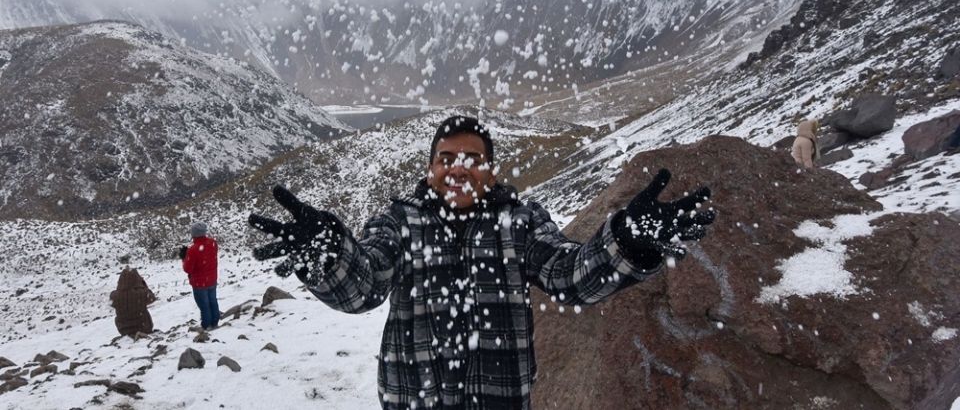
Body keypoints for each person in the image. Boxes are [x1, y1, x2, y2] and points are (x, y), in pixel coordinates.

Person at [248, 115, 715, 409]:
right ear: (431, 169)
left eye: (472, 158)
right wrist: (331, 258)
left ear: (490, 171)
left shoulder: (520, 222)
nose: (457, 167)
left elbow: (569, 276)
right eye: (445, 158)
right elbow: (365, 285)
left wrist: (627, 244)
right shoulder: (400, 221)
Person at [182, 222, 220, 330]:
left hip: (199, 283)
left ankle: (206, 325)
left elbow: (187, 269)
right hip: (212, 279)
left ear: (193, 234)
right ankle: (215, 322)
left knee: (204, 305)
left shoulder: (193, 249)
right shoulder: (213, 243)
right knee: (213, 301)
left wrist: (184, 258)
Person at [109, 267, 156, 336]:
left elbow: (112, 303)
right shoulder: (142, 293)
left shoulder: (114, 295)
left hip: (123, 329)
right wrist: (143, 284)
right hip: (143, 327)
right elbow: (152, 298)